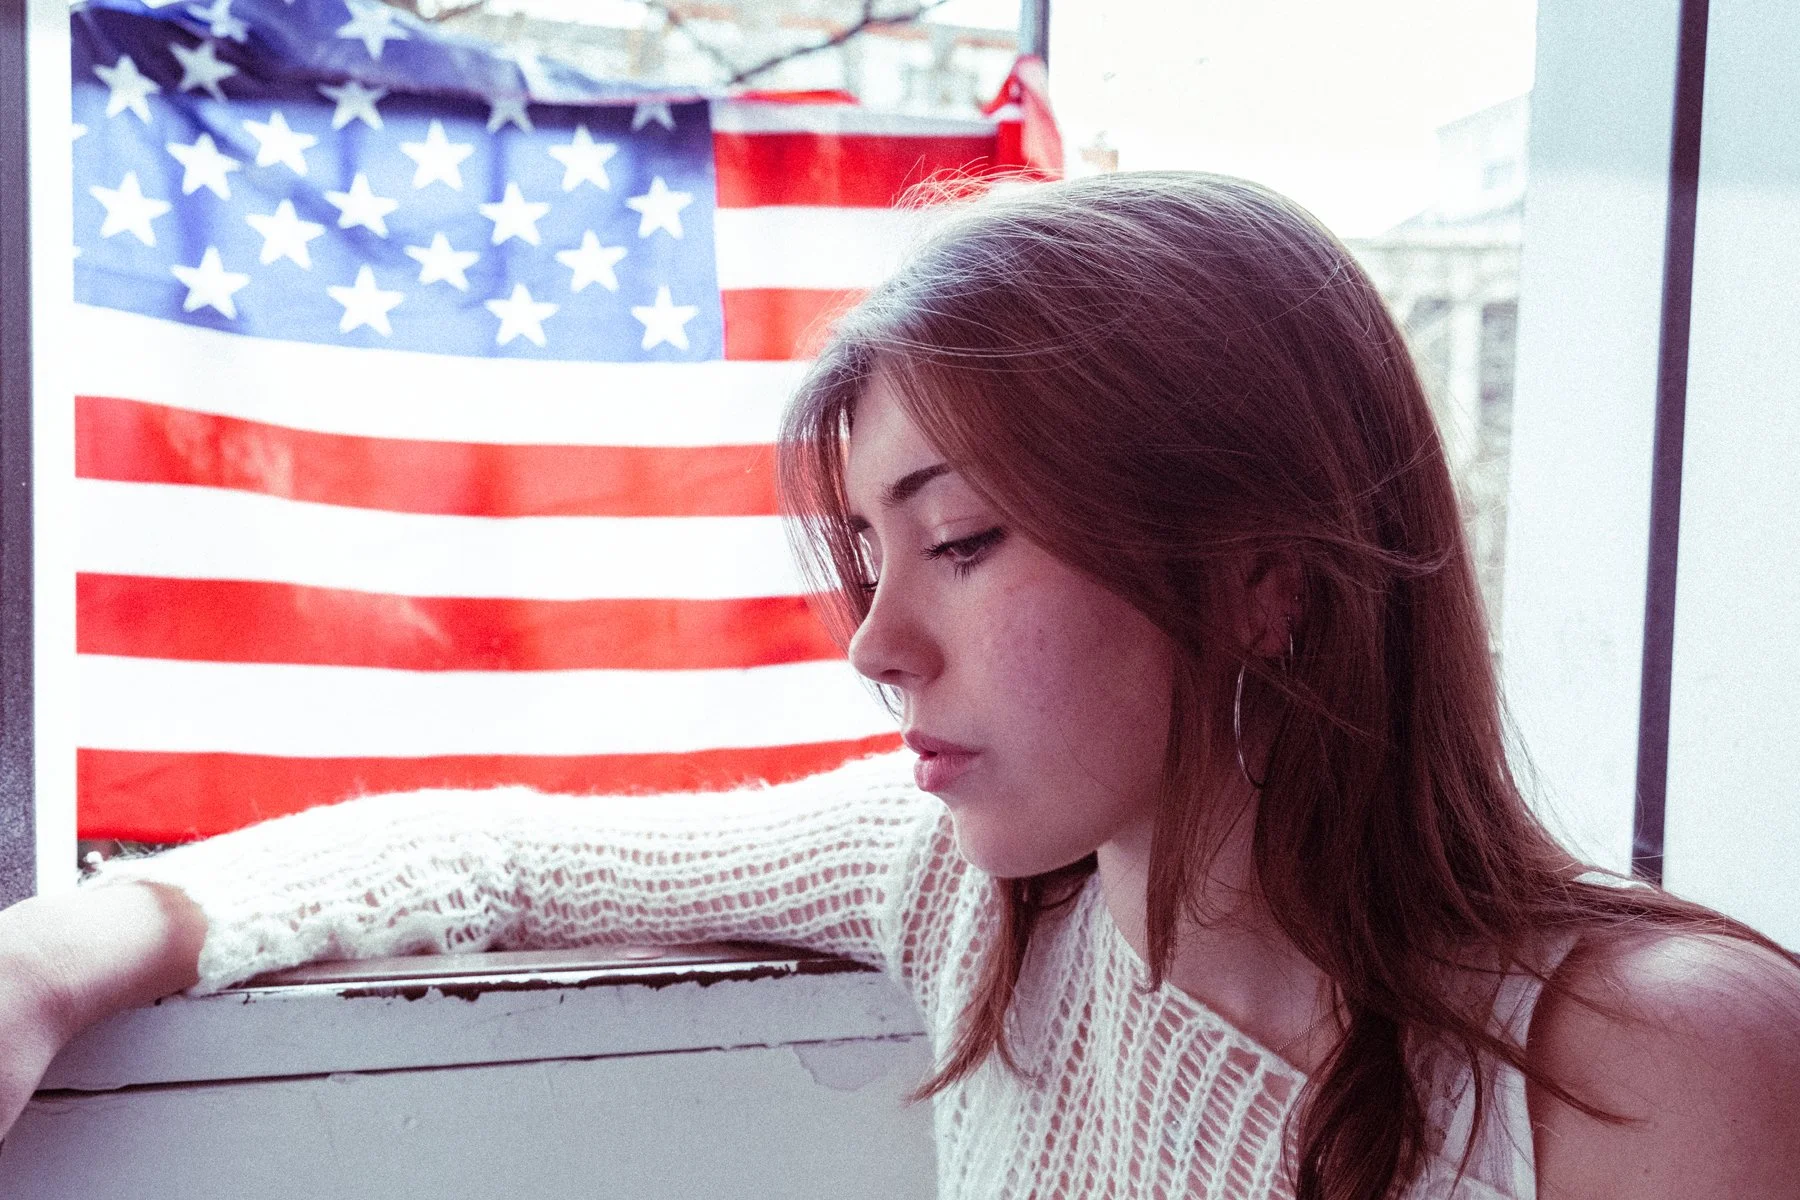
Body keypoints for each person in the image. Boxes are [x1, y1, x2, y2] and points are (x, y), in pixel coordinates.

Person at [3, 171, 1798, 1199]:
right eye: (870, 553)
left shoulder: (1653, 1064)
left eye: (964, 541)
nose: (876, 645)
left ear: (1264, 576)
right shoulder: (965, 891)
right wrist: (50, 962)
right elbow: (492, 854)